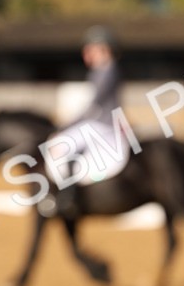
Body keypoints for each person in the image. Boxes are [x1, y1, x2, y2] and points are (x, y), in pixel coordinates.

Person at [44, 27, 126, 216]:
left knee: (63, 146)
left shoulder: (108, 70)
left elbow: (94, 107)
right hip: (97, 122)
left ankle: (68, 195)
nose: (86, 54)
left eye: (91, 49)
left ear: (104, 49)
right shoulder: (100, 71)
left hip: (102, 124)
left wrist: (64, 126)